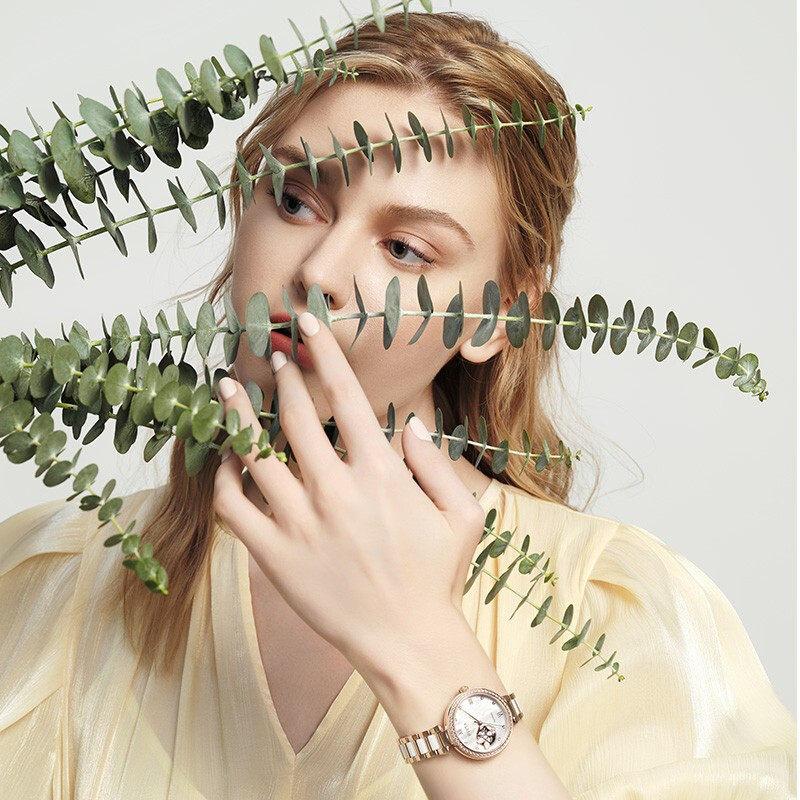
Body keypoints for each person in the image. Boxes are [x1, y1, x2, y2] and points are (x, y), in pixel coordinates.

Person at [0, 10, 794, 800]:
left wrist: (416, 646)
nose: (319, 273)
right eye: (296, 199)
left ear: (498, 316)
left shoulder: (615, 623)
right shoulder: (45, 585)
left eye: (406, 248)